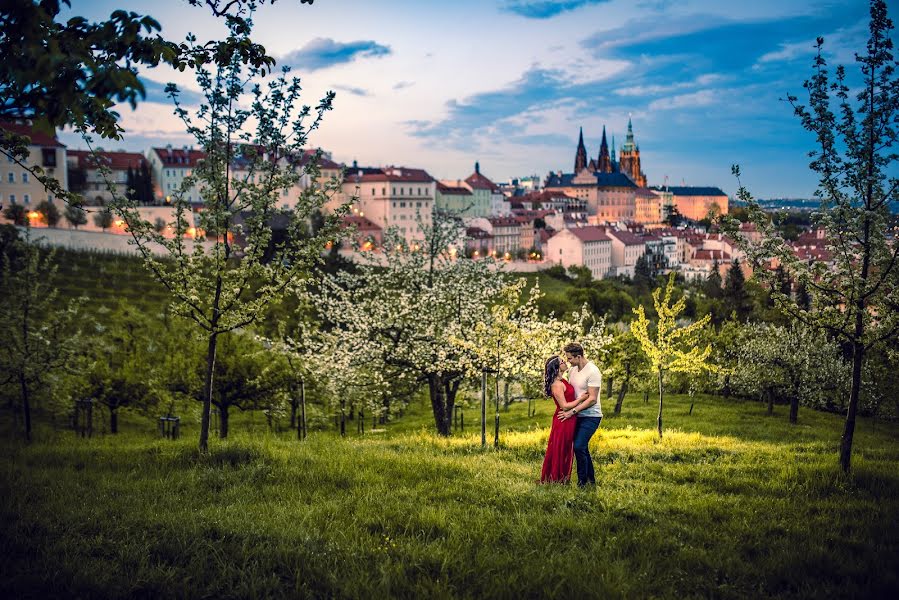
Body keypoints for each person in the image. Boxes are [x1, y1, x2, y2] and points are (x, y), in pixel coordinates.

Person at [558, 342, 602, 487]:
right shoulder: (572, 371)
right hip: (576, 416)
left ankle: (582, 483)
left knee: (578, 446)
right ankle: (591, 481)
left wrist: (572, 411)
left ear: (578, 356)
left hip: (591, 416)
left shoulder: (593, 371)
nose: (568, 361)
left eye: (570, 358)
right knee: (581, 447)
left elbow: (592, 399)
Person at [539, 355, 587, 483]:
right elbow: (564, 406)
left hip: (570, 418)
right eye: (562, 362)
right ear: (557, 367)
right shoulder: (557, 385)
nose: (565, 362)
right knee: (561, 449)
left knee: (567, 448)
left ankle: (563, 478)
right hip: (563, 420)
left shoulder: (563, 380)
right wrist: (581, 399)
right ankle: (556, 478)